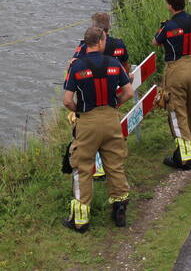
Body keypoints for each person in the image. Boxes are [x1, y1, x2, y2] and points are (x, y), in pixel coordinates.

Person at [62, 26, 133, 233]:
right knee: (114, 164)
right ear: (101, 42)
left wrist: (80, 111)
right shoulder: (113, 63)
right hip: (111, 119)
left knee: (82, 167)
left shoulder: (76, 67)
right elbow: (128, 91)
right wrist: (115, 105)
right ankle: (119, 209)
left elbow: (67, 101)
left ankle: (81, 219)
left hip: (88, 121)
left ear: (85, 44)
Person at [154, 0, 191, 169]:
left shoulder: (168, 26)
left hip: (177, 69)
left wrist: (163, 27)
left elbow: (156, 41)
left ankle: (184, 156)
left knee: (177, 110)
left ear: (170, 5)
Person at [71, 12, 130, 178]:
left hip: (90, 96)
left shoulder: (84, 47)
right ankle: (110, 176)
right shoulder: (119, 44)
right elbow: (126, 66)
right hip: (113, 94)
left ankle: (97, 169)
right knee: (110, 137)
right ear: (109, 26)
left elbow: (73, 65)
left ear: (94, 28)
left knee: (91, 135)